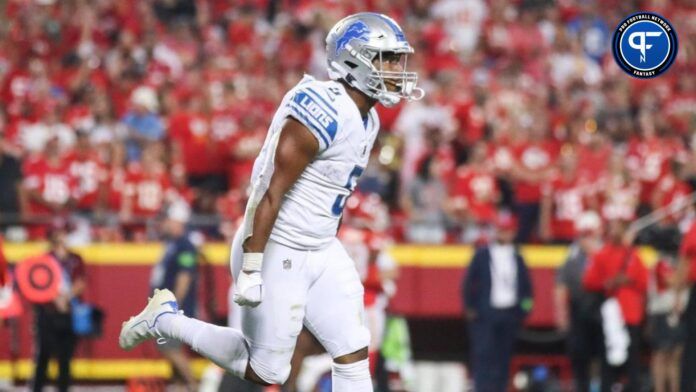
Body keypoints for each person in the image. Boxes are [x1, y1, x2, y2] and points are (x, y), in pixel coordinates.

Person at [119, 12, 423, 391]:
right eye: (388, 59)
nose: (397, 69)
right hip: (277, 245)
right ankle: (165, 320)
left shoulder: (369, 118)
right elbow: (269, 191)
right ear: (355, 59)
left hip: (322, 246)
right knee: (267, 371)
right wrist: (251, 264)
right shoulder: (323, 112)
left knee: (353, 351)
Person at [463, 211, 534, 392]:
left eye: (508, 230)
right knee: (483, 356)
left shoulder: (518, 256)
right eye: (502, 230)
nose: (505, 234)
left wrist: (523, 311)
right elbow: (468, 283)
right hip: (486, 314)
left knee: (503, 358)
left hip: (509, 314)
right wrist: (470, 307)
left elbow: (527, 291)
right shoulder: (482, 254)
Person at [582, 218, 648, 391]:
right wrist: (607, 283)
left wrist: (629, 280)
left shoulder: (634, 255)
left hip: (631, 314)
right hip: (611, 315)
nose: (616, 233)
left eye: (619, 229)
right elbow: (588, 281)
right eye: (613, 229)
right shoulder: (603, 254)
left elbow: (644, 283)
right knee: (607, 360)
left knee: (632, 360)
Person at [148, 200, 198, 391]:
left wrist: (172, 306)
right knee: (170, 350)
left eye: (168, 219)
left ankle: (194, 386)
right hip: (166, 307)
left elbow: (184, 277)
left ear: (177, 220)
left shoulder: (184, 246)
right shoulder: (173, 244)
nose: (164, 223)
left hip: (174, 308)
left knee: (169, 348)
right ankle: (179, 387)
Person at [31, 220, 86, 392]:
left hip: (68, 312)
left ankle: (63, 388)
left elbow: (80, 282)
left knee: (65, 357)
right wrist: (56, 299)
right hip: (49, 312)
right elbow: (41, 284)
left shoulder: (75, 258)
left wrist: (67, 297)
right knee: (44, 356)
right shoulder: (45, 259)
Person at [554, 211, 605, 392]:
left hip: (601, 311)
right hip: (579, 311)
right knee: (580, 357)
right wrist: (562, 315)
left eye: (590, 235)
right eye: (584, 235)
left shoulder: (604, 255)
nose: (587, 240)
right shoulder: (572, 258)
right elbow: (561, 287)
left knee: (603, 356)